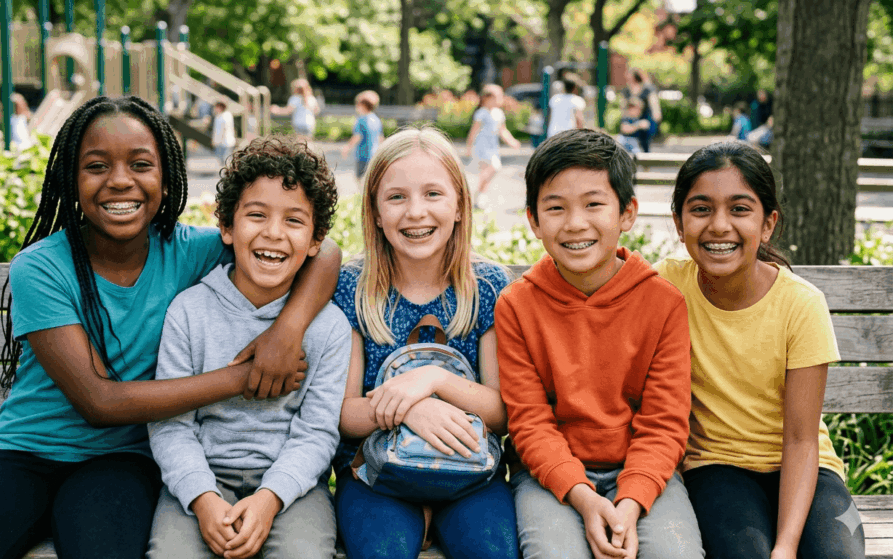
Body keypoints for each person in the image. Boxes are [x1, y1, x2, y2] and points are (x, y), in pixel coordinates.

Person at [0, 96, 342, 559]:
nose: (120, 181)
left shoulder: (186, 251)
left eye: (141, 164)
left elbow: (326, 252)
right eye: (96, 166)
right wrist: (244, 376)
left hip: (121, 459)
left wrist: (286, 331)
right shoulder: (41, 268)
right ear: (71, 178)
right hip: (25, 452)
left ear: (165, 175)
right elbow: (98, 401)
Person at [496, 128, 703, 559]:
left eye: (594, 204)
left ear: (627, 213)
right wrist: (584, 498)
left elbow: (664, 423)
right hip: (549, 477)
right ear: (533, 220)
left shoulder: (662, 303)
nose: (575, 223)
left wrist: (630, 502)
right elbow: (530, 422)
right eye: (555, 208)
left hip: (644, 472)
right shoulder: (517, 305)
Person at [656, 141, 866, 559]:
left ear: (767, 224)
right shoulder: (666, 286)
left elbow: (802, 439)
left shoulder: (800, 304)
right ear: (679, 224)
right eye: (700, 209)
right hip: (716, 467)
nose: (719, 225)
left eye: (739, 209)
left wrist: (786, 547)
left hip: (807, 467)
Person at [147, 136, 351, 559]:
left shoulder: (328, 326)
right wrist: (203, 499)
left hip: (291, 487)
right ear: (226, 226)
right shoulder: (188, 312)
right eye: (256, 215)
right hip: (200, 479)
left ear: (316, 240)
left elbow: (316, 432)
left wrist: (269, 498)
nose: (273, 233)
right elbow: (171, 426)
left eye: (294, 221)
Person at [332, 127, 519, 559]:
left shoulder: (485, 286)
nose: (416, 212)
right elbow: (344, 414)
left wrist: (432, 379)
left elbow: (501, 412)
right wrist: (412, 408)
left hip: (471, 472)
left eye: (433, 194)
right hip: (375, 474)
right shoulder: (353, 290)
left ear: (458, 206)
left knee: (494, 552)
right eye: (396, 197)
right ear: (375, 212)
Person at [465, 84, 522, 209]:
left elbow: (503, 131)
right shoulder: (481, 113)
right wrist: (469, 147)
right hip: (481, 148)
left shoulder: (498, 114)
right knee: (494, 168)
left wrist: (512, 142)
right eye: (497, 96)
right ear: (487, 98)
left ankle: (479, 197)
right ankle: (479, 195)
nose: (500, 99)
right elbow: (473, 132)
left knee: (488, 173)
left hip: (492, 148)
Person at [341, 90, 384, 184]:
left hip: (363, 155)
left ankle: (361, 197)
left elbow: (357, 136)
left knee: (359, 179)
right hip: (374, 154)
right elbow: (380, 138)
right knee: (370, 179)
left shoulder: (361, 120)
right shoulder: (376, 119)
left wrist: (347, 148)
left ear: (363, 105)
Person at [620, 69, 661, 153]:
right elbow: (623, 107)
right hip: (632, 118)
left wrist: (656, 116)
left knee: (644, 135)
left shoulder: (647, 90)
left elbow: (655, 106)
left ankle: (645, 156)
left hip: (645, 117)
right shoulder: (626, 91)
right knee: (629, 137)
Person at [211, 101, 236, 165]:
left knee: (225, 159)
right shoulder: (220, 116)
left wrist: (217, 140)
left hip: (225, 141)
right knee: (223, 159)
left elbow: (223, 129)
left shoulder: (225, 116)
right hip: (222, 142)